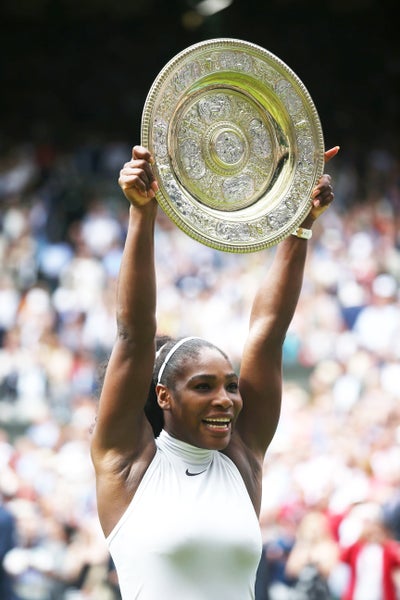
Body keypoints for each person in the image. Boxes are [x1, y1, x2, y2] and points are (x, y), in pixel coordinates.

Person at [90, 143, 339, 599]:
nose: (225, 399)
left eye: (230, 385)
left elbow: (267, 333)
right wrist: (142, 213)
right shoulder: (127, 463)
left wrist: (300, 224)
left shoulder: (242, 458)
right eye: (203, 386)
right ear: (164, 396)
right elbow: (134, 333)